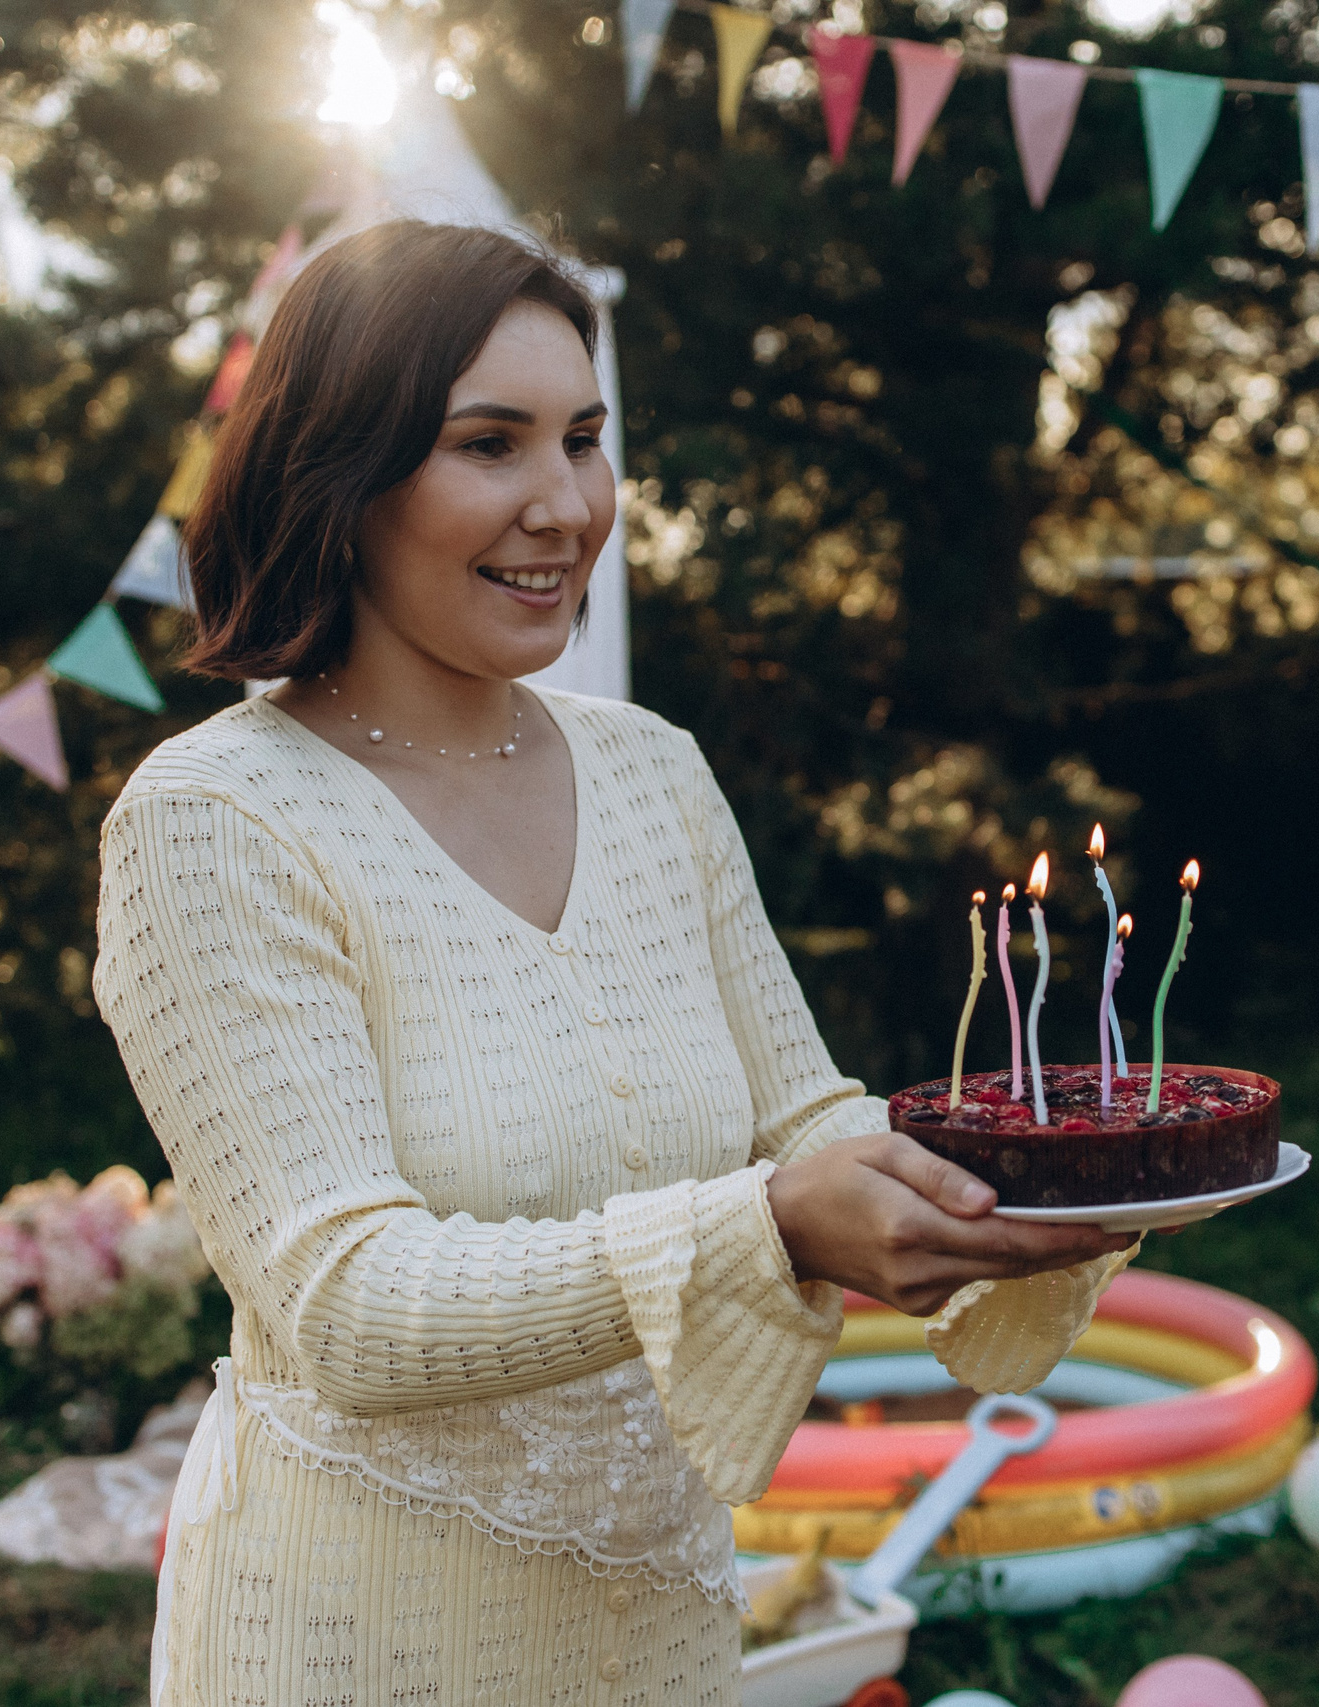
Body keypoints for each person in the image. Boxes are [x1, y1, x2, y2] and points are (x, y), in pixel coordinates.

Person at [91, 220, 1137, 1707]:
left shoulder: (653, 775)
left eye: (584, 439)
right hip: (356, 1634)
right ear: (345, 472)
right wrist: (771, 1227)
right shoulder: (216, 822)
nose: (566, 504)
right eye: (490, 444)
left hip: (655, 1616)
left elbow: (804, 1120)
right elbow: (346, 1303)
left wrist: (1032, 1184)